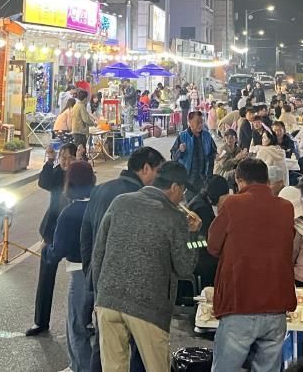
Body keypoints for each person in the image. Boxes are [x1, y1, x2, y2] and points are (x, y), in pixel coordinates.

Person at [92, 162, 200, 371]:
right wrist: (194, 234)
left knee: (113, 367)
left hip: (108, 300)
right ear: (175, 188)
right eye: (183, 191)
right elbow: (185, 267)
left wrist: (99, 296)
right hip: (149, 306)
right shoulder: (175, 217)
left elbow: (99, 253)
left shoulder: (120, 202)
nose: (183, 197)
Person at [80, 146, 165, 371]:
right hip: (132, 287)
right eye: (158, 171)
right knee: (137, 348)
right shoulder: (141, 199)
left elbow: (86, 234)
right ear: (145, 169)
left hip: (102, 283)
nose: (159, 178)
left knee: (104, 347)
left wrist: (91, 273)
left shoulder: (100, 190)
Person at [208, 158, 297, 372]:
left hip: (241, 303)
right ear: (267, 180)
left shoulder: (232, 203)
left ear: (239, 181)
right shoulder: (286, 208)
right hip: (277, 305)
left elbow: (212, 246)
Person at [44, 161, 96, 372]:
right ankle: (81, 365)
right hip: (101, 271)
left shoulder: (69, 212)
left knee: (76, 325)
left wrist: (47, 250)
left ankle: (81, 367)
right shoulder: (99, 206)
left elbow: (58, 250)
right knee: (95, 325)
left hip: (79, 272)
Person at [26, 142, 77, 336]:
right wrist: (48, 161)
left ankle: (84, 321)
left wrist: (81, 162)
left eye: (69, 157)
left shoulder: (80, 173)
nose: (65, 161)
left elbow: (88, 184)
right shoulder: (55, 172)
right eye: (62, 157)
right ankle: (40, 321)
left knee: (81, 280)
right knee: (46, 277)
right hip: (53, 230)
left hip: (76, 233)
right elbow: (44, 182)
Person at [188, 175, 230, 289]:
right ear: (217, 196)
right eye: (225, 198)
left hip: (195, 252)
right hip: (199, 257)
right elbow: (208, 242)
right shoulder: (202, 210)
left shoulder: (201, 201)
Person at [171, 111, 217, 198]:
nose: (200, 125)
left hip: (203, 178)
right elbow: (173, 157)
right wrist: (180, 151)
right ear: (190, 122)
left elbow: (213, 152)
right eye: (197, 122)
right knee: (188, 204)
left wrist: (215, 156)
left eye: (201, 122)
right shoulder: (182, 136)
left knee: (202, 203)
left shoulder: (207, 136)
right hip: (188, 179)